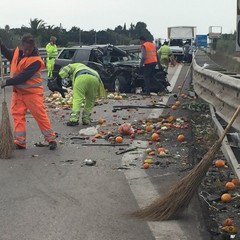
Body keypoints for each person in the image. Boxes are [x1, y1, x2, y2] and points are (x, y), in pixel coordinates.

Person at [0, 33, 57, 150]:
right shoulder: (18, 54)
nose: (26, 51)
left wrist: (7, 82)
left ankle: (51, 139)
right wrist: (1, 44)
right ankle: (20, 142)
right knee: (17, 116)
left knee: (40, 116)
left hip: (32, 94)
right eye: (25, 49)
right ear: (22, 46)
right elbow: (7, 53)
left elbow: (23, 77)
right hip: (18, 93)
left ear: (33, 47)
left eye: (29, 49)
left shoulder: (35, 61)